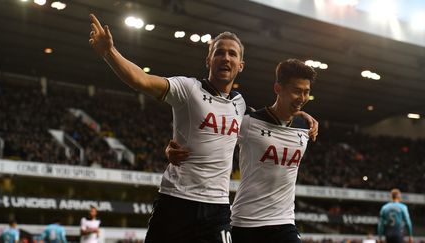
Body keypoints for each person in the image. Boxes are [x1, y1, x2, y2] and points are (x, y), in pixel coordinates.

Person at [89, 14, 317, 243]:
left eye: (232, 54)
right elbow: (143, 80)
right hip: (176, 201)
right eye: (219, 52)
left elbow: (271, 119)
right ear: (208, 60)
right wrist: (110, 52)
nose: (225, 58)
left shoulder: (240, 105)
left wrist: (299, 115)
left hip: (217, 210)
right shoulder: (188, 89)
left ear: (241, 65)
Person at [166, 59, 317, 243]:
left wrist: (304, 115)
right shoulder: (248, 122)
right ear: (278, 88)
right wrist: (172, 148)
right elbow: (210, 138)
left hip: (284, 222)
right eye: (296, 91)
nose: (302, 98)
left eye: (306, 92)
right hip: (245, 222)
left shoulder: (305, 127)